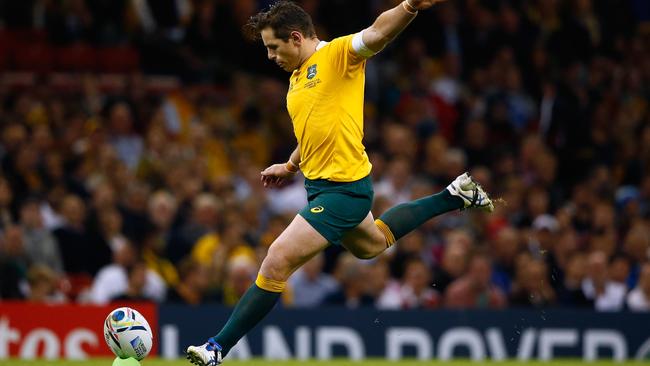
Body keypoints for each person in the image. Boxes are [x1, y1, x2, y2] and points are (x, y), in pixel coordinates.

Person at [186, 1, 494, 364]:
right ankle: (455, 195)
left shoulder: (336, 55)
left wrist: (409, 6)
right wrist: (289, 165)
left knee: (276, 260)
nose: (269, 56)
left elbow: (378, 33)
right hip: (323, 188)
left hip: (344, 191)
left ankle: (217, 347)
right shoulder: (298, 77)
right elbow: (314, 130)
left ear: (296, 37)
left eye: (273, 47)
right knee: (372, 244)